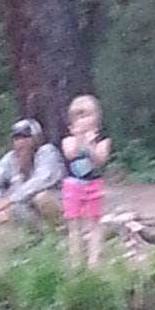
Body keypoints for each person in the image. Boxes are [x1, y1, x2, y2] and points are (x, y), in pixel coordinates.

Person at [0, 119, 64, 226]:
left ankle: (61, 229)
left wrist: (10, 199)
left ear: (36, 138)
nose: (21, 142)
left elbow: (42, 179)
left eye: (25, 137)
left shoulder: (47, 152)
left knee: (42, 198)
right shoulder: (10, 158)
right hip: (25, 204)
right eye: (17, 138)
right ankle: (36, 236)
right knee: (4, 210)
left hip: (58, 200)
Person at [61, 95, 112, 267]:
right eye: (78, 116)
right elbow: (70, 153)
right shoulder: (68, 140)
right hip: (73, 185)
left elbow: (100, 160)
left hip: (93, 185)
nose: (83, 120)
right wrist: (79, 138)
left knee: (94, 223)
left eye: (87, 116)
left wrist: (90, 145)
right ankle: (75, 262)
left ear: (96, 120)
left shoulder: (102, 141)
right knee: (73, 225)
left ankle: (94, 263)